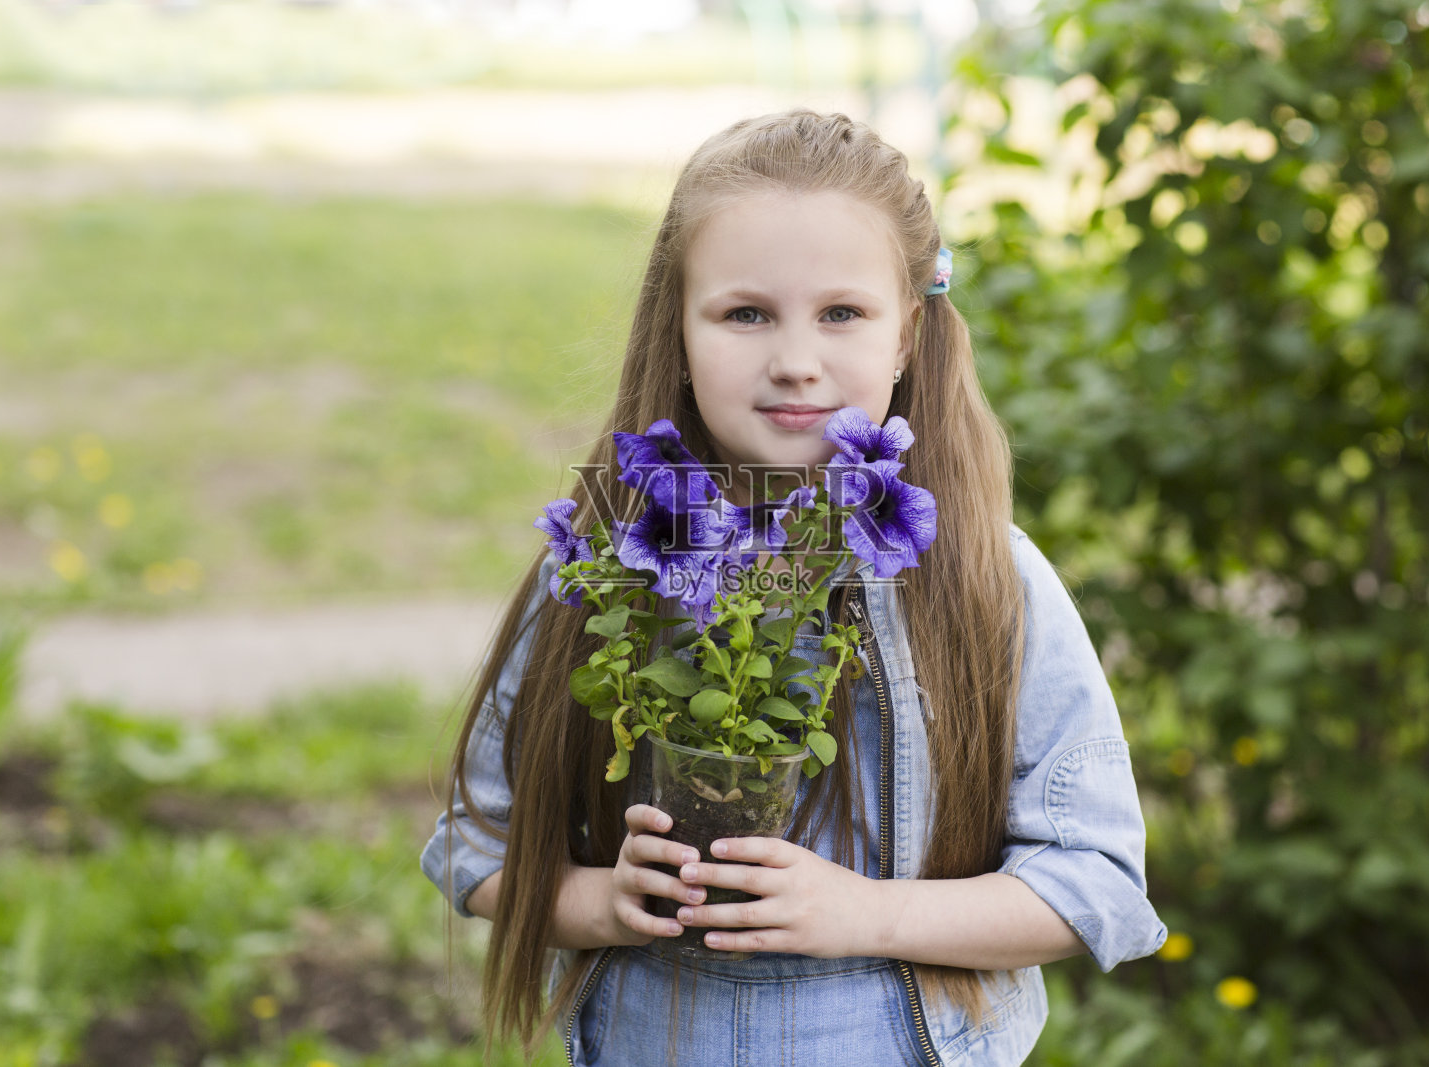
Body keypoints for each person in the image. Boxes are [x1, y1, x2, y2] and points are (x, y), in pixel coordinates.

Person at [422, 108, 1166, 1066]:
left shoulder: (986, 573)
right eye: (746, 313)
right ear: (678, 328)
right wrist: (604, 902)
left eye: (842, 313)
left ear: (907, 335)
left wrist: (867, 911)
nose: (796, 359)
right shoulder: (611, 561)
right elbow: (472, 842)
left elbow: (1094, 881)